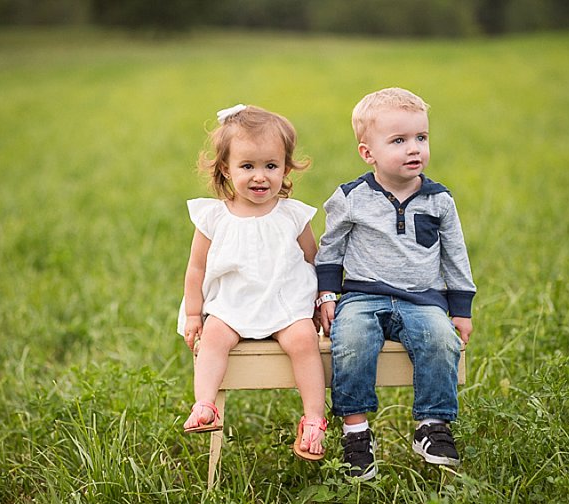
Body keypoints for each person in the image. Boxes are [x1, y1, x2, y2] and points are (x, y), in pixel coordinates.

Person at [315, 88, 476, 479]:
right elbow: (330, 248)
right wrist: (325, 295)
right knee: (350, 341)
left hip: (423, 299)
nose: (414, 149)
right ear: (367, 153)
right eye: (399, 141)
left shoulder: (439, 200)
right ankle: (356, 433)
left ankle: (432, 426)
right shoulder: (352, 198)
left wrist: (460, 309)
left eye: (421, 138)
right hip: (362, 295)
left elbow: (455, 256)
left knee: (440, 340)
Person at [177, 104, 327, 460]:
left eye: (270, 166)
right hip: (233, 303)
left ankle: (313, 420)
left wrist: (322, 300)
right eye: (247, 166)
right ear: (225, 169)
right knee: (214, 337)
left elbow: (313, 258)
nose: (260, 177)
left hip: (284, 302)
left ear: (286, 168)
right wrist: (195, 314)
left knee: (304, 340)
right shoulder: (214, 217)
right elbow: (195, 269)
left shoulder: (292, 215)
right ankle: (204, 405)